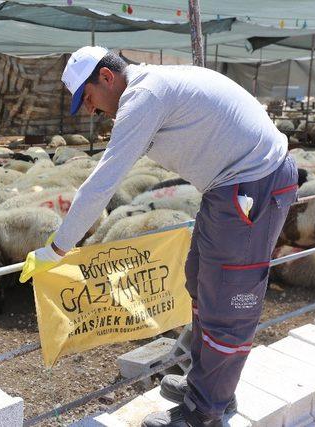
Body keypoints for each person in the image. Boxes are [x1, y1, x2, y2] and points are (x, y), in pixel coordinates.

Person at [19, 46, 298, 426]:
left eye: (88, 98)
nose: (91, 110)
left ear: (106, 77)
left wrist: (56, 247)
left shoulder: (143, 97)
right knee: (200, 279)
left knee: (228, 300)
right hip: (233, 184)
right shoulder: (152, 84)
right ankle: (207, 387)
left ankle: (206, 411)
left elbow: (103, 182)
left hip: (251, 183)